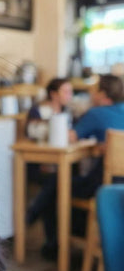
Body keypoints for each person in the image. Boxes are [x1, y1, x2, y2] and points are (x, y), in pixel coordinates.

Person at [27, 74, 124, 259]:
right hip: (120, 186)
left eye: (94, 90)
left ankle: (45, 235)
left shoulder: (96, 113)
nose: (90, 94)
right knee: (57, 182)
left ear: (103, 93)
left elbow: (69, 136)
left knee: (57, 184)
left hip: (104, 186)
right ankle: (47, 233)